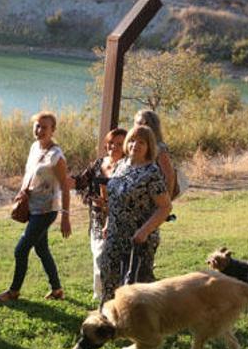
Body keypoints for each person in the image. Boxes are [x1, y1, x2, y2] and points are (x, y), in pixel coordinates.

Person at [0, 111, 72, 303]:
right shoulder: (35, 147)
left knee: (21, 250)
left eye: (44, 127)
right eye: (37, 126)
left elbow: (65, 187)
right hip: (32, 207)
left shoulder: (56, 156)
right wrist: (22, 192)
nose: (39, 130)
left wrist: (65, 217)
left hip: (46, 211)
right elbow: (29, 173)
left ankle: (13, 292)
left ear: (53, 130)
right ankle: (57, 289)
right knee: (42, 249)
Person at [100, 125, 173, 301]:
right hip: (115, 235)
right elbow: (115, 199)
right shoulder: (121, 165)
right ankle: (108, 318)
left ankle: (139, 324)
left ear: (149, 147)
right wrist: (108, 223)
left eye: (141, 142)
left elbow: (165, 207)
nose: (135, 145)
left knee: (135, 288)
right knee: (108, 276)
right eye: (132, 140)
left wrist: (144, 232)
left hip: (138, 240)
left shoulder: (151, 172)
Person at [71, 128, 126, 301]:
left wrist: (108, 204)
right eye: (111, 142)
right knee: (98, 255)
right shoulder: (98, 163)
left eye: (119, 144)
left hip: (119, 220)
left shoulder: (128, 167)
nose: (114, 147)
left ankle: (116, 295)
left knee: (113, 259)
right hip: (97, 219)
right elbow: (80, 181)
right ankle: (101, 295)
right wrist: (57, 178)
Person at [134, 110, 176, 198]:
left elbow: (169, 176)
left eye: (141, 123)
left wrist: (166, 201)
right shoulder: (134, 145)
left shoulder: (159, 148)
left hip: (154, 196)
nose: (138, 126)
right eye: (137, 123)